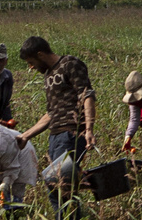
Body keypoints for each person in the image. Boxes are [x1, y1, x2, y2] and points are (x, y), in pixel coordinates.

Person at [15, 35, 96, 189]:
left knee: (57, 185)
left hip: (71, 132)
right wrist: (25, 136)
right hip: (55, 136)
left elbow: (87, 95)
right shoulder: (48, 75)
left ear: (40, 55)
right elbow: (51, 114)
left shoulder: (70, 64)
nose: (30, 67)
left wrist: (89, 129)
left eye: (31, 62)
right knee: (63, 185)